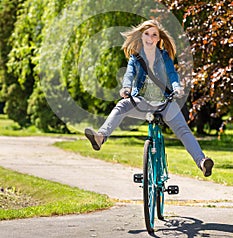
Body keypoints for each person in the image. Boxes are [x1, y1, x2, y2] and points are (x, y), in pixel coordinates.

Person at [85, 19, 214, 177]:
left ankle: (202, 163)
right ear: (141, 36)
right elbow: (129, 74)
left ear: (158, 39)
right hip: (142, 102)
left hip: (165, 103)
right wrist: (126, 88)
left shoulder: (165, 56)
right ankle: (100, 137)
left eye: (154, 35)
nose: (150, 37)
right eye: (147, 33)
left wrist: (176, 87)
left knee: (183, 131)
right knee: (121, 106)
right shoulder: (135, 58)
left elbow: (172, 75)